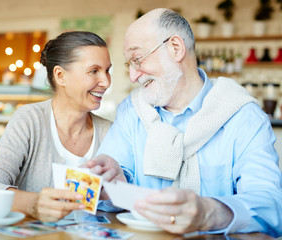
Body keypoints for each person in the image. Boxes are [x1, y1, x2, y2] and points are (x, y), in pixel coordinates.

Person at [83, 9, 282, 237]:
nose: (133, 76)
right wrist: (110, 187)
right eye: (130, 65)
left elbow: (271, 206)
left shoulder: (242, 115)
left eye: (137, 60)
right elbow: (109, 195)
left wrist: (208, 212)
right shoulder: (131, 111)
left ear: (175, 48)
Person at [0, 31, 112, 222]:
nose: (105, 82)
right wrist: (34, 203)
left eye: (107, 70)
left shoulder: (110, 131)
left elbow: (121, 201)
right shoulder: (29, 119)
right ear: (60, 76)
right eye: (94, 71)